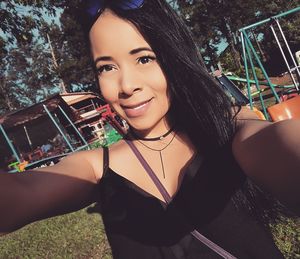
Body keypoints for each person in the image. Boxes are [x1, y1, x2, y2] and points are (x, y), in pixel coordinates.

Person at [0, 1, 299, 258]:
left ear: (173, 58)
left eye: (144, 58)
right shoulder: (96, 166)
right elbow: (18, 197)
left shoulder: (228, 126)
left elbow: (278, 144)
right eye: (106, 67)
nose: (127, 86)